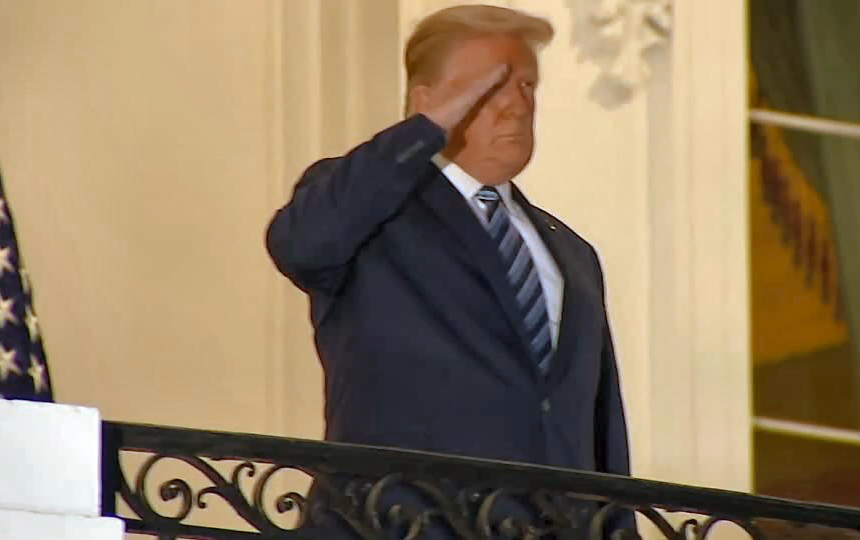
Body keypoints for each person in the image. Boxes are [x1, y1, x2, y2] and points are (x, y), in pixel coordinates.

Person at [266, 4, 632, 536]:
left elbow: (599, 430)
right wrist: (421, 135)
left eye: (527, 85)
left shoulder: (572, 253)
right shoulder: (374, 216)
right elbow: (299, 245)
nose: (517, 105)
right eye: (491, 86)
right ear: (425, 104)